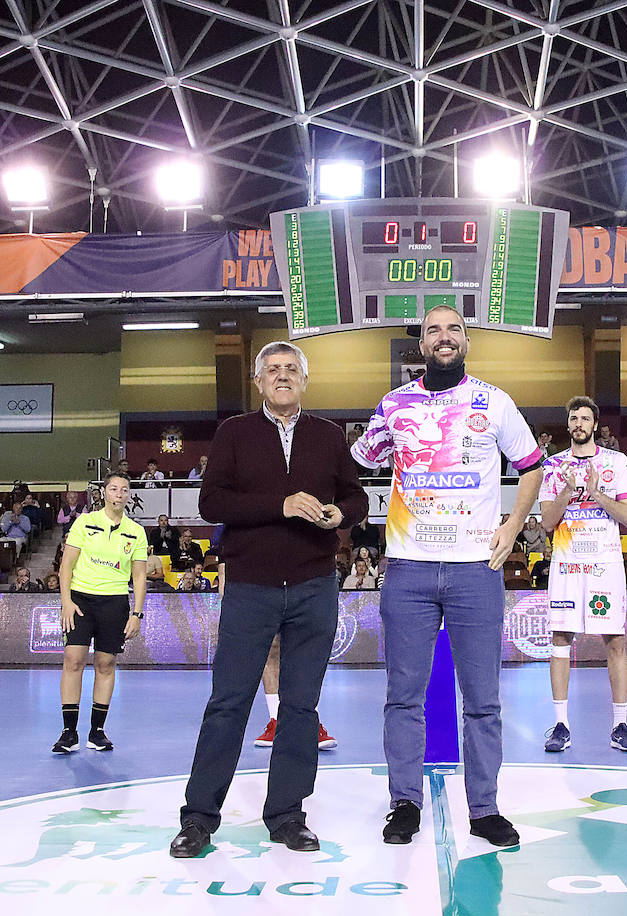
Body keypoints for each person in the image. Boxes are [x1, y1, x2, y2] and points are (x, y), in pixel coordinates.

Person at [351, 304, 542, 849]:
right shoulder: (394, 404)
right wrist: (377, 436)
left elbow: (532, 467)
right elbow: (361, 456)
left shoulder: (494, 401)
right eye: (433, 329)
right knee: (403, 696)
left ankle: (483, 809)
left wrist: (513, 525)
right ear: (421, 344)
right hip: (407, 568)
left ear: (465, 341)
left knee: (482, 698)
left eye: (454, 328)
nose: (444, 336)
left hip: (475, 570)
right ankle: (404, 804)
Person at [170, 341, 367, 859]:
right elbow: (212, 501)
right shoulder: (235, 432)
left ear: (304, 380)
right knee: (228, 703)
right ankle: (198, 818)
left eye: (290, 370)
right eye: (272, 370)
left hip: (313, 586)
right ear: (258, 383)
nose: (282, 376)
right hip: (250, 587)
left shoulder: (328, 436)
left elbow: (357, 497)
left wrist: (337, 515)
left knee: (300, 707)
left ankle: (286, 815)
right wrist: (279, 505)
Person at [538, 396, 627, 754]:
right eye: (573, 419)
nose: (579, 423)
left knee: (615, 641)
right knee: (560, 639)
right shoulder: (552, 466)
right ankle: (561, 725)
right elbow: (548, 523)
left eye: (585, 418)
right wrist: (568, 489)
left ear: (595, 425)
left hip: (605, 566)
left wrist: (595, 492)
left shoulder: (617, 462)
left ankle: (620, 725)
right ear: (568, 426)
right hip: (567, 565)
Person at [54, 472, 149, 755]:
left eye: (124, 490)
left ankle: (97, 732)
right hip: (81, 600)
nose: (119, 494)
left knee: (106, 664)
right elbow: (66, 566)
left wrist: (137, 614)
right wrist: (66, 601)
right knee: (73, 660)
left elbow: (140, 577)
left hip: (115, 603)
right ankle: (69, 733)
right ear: (104, 493)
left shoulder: (137, 531)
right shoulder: (85, 522)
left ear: (128, 495)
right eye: (114, 489)